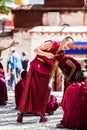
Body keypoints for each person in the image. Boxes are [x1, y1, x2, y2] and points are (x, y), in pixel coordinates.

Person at [17, 36, 74, 123]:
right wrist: (46, 54)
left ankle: (42, 115)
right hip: (36, 67)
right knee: (29, 90)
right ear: (64, 41)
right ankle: (21, 113)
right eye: (69, 44)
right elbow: (36, 50)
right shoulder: (51, 44)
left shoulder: (62, 54)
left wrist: (50, 78)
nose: (69, 47)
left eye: (71, 46)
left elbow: (54, 65)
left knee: (43, 93)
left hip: (45, 71)